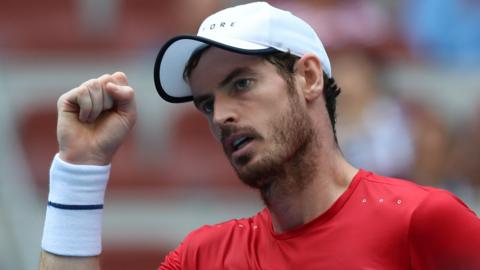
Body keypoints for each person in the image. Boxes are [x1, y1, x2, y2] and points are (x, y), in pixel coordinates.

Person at [39, 2, 480, 270]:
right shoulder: (202, 258)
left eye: (241, 84)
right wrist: (79, 169)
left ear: (308, 77)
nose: (221, 117)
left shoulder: (426, 221)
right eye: (207, 103)